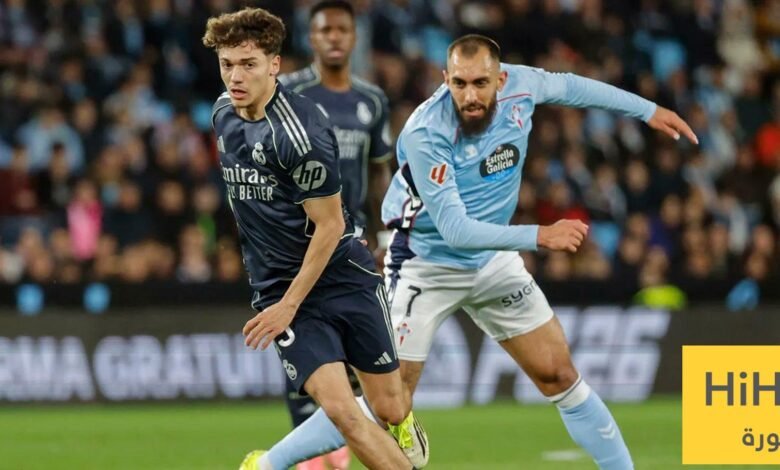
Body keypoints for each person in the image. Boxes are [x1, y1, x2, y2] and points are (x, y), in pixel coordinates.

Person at [380, 35, 698, 470]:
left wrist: (648, 110)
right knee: (388, 402)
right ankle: (287, 458)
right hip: (426, 262)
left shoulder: (522, 85)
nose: (469, 95)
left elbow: (575, 87)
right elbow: (455, 230)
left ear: (500, 78)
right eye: (459, 83)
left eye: (480, 82)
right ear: (445, 78)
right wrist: (541, 236)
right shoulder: (425, 131)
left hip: (492, 259)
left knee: (559, 373)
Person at [201, 8, 427, 470]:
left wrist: (288, 304)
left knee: (388, 406)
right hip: (282, 288)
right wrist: (281, 298)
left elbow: (331, 226)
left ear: (274, 65)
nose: (235, 76)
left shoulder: (301, 133)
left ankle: (395, 420)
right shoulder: (222, 112)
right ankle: (270, 464)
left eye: (248, 64)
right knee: (344, 413)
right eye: (227, 64)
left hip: (343, 276)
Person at [277, 2, 393, 467]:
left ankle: (335, 452)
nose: (334, 37)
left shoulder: (372, 100)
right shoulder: (287, 92)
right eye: (325, 30)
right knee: (305, 351)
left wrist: (385, 240)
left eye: (342, 29)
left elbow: (380, 176)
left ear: (354, 36)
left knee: (359, 358)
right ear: (312, 37)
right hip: (298, 247)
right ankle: (312, 455)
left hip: (354, 248)